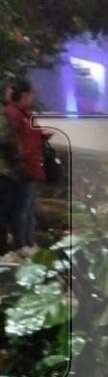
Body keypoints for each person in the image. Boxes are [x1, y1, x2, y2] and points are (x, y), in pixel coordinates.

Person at [3, 79, 47, 250]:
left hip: (31, 167)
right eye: (30, 94)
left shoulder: (25, 115)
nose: (32, 98)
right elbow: (11, 140)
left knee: (28, 209)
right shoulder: (12, 114)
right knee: (21, 210)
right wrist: (21, 156)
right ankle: (21, 245)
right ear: (24, 95)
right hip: (22, 168)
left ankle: (28, 243)